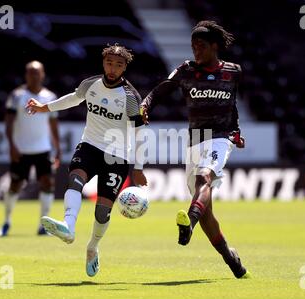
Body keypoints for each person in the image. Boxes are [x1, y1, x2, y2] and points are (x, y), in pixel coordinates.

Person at [140, 21, 251, 279]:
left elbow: (232, 106)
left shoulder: (233, 71)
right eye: (193, 46)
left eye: (200, 46)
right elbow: (159, 91)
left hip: (220, 139)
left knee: (205, 178)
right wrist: (145, 106)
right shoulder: (185, 71)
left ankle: (187, 223)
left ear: (214, 46)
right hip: (194, 141)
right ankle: (231, 258)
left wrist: (235, 132)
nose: (195, 51)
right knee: (206, 212)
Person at [25, 44, 147, 277]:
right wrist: (44, 108)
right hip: (89, 145)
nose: (113, 69)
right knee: (75, 180)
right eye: (109, 63)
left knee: (102, 212)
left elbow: (140, 134)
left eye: (119, 65)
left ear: (125, 68)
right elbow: (74, 98)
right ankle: (68, 226)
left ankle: (92, 247)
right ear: (103, 63)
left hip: (116, 155)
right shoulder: (90, 84)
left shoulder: (130, 98)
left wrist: (138, 168)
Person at [0, 61, 61, 237]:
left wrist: (58, 148)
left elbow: (54, 124)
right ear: (26, 75)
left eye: (37, 72)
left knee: (47, 183)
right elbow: (9, 123)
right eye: (31, 72)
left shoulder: (50, 97)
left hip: (43, 149)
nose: (34, 75)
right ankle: (6, 221)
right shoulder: (17, 96)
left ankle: (44, 224)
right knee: (15, 185)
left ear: (43, 74)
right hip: (22, 149)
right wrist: (11, 145)